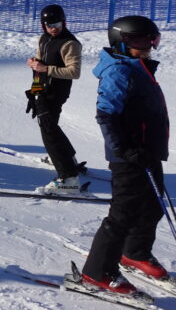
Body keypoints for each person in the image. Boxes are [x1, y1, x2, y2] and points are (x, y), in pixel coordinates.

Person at [81, 15, 169, 294]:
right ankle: (97, 272)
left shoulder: (136, 65)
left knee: (153, 206)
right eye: (141, 40)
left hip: (147, 152)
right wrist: (125, 150)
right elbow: (106, 115)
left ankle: (135, 252)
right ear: (121, 42)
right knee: (124, 214)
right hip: (129, 157)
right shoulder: (120, 71)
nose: (148, 46)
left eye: (151, 40)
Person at [25, 4, 83, 194]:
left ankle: (68, 177)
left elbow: (74, 72)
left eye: (57, 23)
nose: (54, 28)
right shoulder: (44, 39)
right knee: (50, 126)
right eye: (49, 24)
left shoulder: (70, 43)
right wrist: (34, 70)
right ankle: (67, 158)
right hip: (42, 89)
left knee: (48, 128)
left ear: (64, 22)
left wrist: (46, 69)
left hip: (56, 91)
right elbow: (40, 62)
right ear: (43, 25)